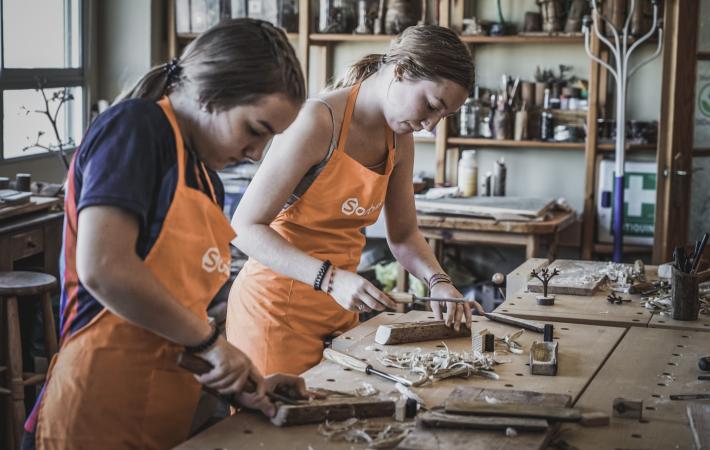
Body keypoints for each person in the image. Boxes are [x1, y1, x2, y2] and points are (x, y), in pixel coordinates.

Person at [23, 19, 307, 450]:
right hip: (94, 412)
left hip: (160, 412)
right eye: (255, 130)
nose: (255, 155)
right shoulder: (137, 128)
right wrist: (211, 342)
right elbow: (104, 268)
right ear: (212, 93)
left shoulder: (204, 179)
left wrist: (240, 380)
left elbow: (175, 315)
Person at [226, 25, 484, 376]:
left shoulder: (399, 138)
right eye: (431, 105)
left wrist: (439, 282)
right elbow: (243, 228)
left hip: (338, 313)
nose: (430, 125)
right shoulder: (318, 121)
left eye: (443, 116)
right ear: (401, 71)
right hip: (274, 313)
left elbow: (405, 236)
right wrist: (331, 280)